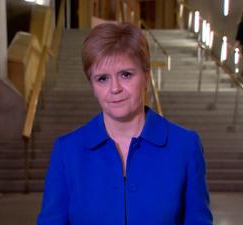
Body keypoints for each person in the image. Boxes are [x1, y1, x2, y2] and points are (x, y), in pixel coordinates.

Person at [37, 22, 213, 225]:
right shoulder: (67, 151)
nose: (115, 88)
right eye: (102, 79)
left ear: (146, 77)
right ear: (92, 86)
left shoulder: (185, 146)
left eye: (126, 75)